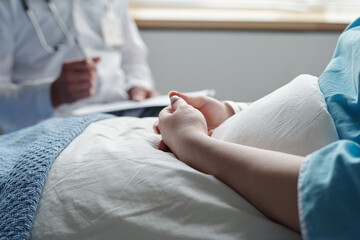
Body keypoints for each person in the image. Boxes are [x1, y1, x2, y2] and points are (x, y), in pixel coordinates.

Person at [155, 18, 360, 239]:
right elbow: (343, 87)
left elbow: (346, 195)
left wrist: (191, 142)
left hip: (270, 185)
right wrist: (232, 111)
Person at [0, 0, 158, 133]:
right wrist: (52, 94)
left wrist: (138, 84)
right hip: (50, 128)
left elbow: (132, 53)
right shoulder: (7, 5)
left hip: (124, 116)